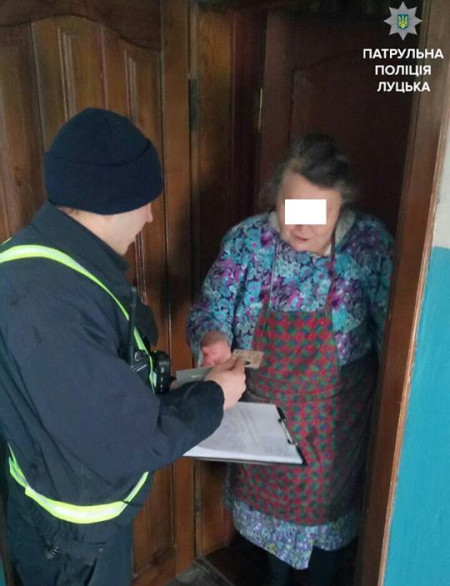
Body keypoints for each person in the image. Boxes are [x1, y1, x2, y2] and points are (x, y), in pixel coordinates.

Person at [0, 108, 246, 586]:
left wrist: (184, 381)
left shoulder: (38, 259)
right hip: (75, 543)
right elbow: (132, 439)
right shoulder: (51, 308)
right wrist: (215, 395)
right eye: (145, 202)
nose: (150, 216)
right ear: (110, 201)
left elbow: (94, 388)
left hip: (60, 508)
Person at [187, 134, 394, 585]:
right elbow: (211, 310)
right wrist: (214, 338)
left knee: (323, 556)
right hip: (262, 427)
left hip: (334, 436)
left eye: (318, 214)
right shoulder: (247, 243)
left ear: (343, 205)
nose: (300, 226)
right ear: (276, 194)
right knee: (273, 560)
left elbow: (394, 341)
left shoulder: (369, 247)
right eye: (291, 208)